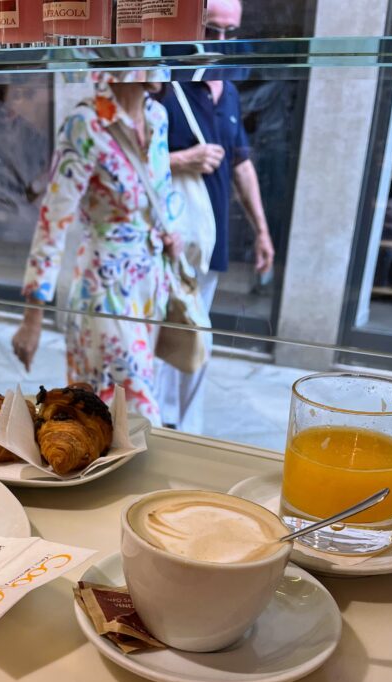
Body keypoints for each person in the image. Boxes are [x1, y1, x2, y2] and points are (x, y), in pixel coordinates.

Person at [11, 72, 180, 426]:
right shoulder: (85, 124)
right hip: (106, 285)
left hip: (150, 283)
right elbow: (53, 219)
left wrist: (167, 232)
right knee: (137, 412)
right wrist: (33, 316)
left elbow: (160, 191)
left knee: (110, 415)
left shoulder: (157, 116)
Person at [156, 0, 275, 433]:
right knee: (161, 335)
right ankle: (158, 424)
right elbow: (128, 161)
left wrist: (262, 230)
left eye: (231, 32)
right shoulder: (164, 83)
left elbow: (241, 162)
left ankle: (185, 431)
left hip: (208, 236)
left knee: (195, 337)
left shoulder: (229, 88)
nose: (221, 42)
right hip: (167, 235)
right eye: (212, 30)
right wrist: (182, 159)